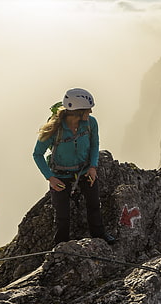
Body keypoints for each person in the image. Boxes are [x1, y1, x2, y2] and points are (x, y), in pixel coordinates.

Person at [33, 87, 116, 245]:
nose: (90, 112)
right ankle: (61, 245)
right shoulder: (54, 129)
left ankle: (99, 235)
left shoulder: (90, 123)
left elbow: (94, 145)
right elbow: (37, 154)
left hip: (84, 171)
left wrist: (93, 167)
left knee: (94, 205)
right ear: (76, 111)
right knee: (62, 215)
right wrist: (50, 178)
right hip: (60, 176)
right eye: (87, 109)